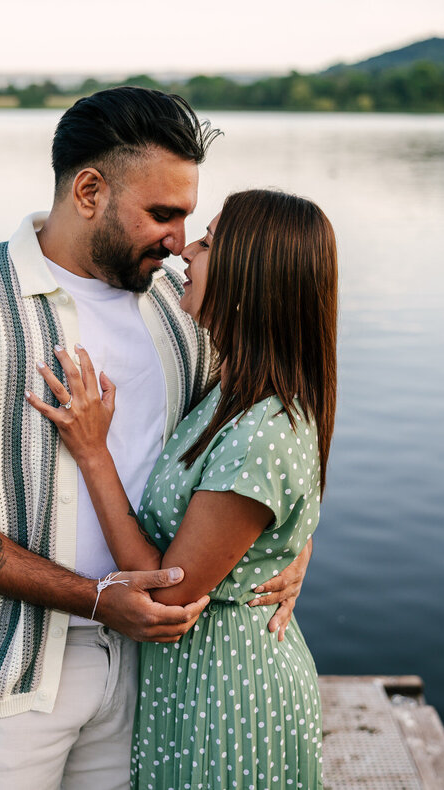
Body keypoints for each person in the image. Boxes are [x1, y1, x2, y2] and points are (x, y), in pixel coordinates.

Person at [0, 88, 310, 790]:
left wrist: (293, 546)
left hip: (151, 676)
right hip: (2, 683)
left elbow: (265, 436)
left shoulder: (182, 311)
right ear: (90, 190)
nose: (176, 240)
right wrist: (96, 599)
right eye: (162, 214)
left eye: (188, 217)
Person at [28, 188, 337, 789]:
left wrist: (93, 452)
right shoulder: (232, 389)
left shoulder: (262, 431)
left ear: (251, 277)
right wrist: (296, 544)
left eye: (210, 241)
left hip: (230, 699)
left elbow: (168, 595)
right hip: (189, 685)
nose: (185, 252)